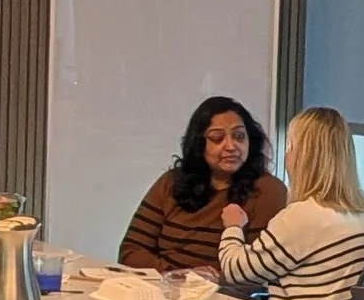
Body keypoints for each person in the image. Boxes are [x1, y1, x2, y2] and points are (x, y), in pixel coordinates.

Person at [216, 107, 364, 300]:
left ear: (306, 157)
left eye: (291, 146)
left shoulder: (302, 217)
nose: (287, 156)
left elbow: (236, 271)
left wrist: (233, 227)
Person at [121, 96, 288, 274]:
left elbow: (260, 270)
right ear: (199, 144)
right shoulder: (171, 182)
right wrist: (178, 277)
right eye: (217, 138)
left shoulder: (269, 191)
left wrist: (207, 282)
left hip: (225, 297)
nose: (231, 146)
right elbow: (130, 252)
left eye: (239, 136)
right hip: (164, 290)